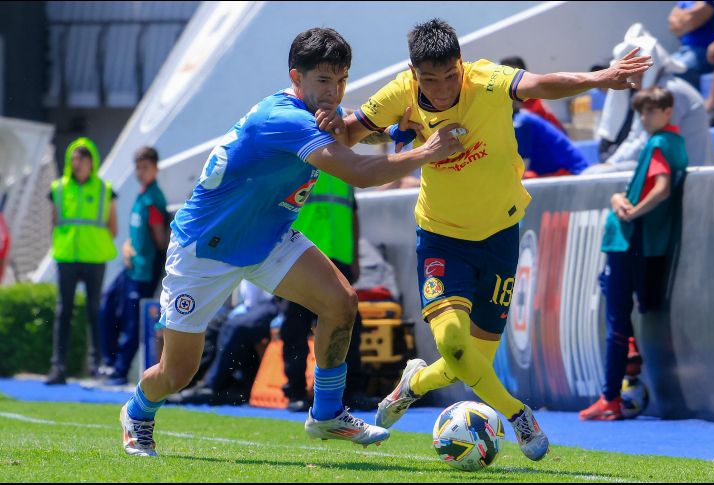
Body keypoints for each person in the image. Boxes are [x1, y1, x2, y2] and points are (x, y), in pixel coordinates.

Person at [118, 27, 464, 457]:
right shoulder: (283, 119)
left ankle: (326, 414)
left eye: (340, 81)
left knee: (341, 303)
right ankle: (136, 411)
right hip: (205, 249)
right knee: (177, 372)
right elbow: (357, 171)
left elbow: (352, 128)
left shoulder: (314, 111)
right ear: (295, 79)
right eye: (323, 81)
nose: (333, 92)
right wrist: (425, 151)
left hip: (269, 238)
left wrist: (396, 130)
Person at [323, 18, 651, 462]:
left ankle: (412, 384)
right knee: (455, 347)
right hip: (440, 239)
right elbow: (349, 133)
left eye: (450, 76)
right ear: (413, 72)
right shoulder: (399, 92)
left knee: (472, 357)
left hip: (500, 235)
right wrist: (344, 123)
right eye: (429, 80)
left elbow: (543, 83)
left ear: (462, 65)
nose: (440, 89)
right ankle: (518, 417)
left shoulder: (489, 80)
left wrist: (601, 78)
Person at [580, 87, 688, 420]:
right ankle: (626, 360)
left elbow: (661, 187)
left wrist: (632, 212)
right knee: (608, 289)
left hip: (629, 242)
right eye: (641, 112)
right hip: (638, 242)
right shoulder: (674, 143)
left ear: (668, 112)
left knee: (615, 318)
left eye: (651, 111)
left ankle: (610, 397)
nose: (644, 117)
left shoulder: (658, 144)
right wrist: (618, 199)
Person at [280, 171, 376, 412]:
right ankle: (295, 391)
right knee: (295, 326)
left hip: (339, 258)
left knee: (349, 326)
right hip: (301, 257)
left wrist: (354, 258)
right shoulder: (301, 159)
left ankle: (352, 390)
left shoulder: (344, 167)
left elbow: (352, 214)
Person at [591, 24, 714, 170]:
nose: (633, 82)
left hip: (693, 174)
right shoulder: (656, 91)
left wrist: (611, 166)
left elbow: (645, 141)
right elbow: (635, 137)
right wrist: (611, 163)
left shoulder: (669, 91)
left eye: (637, 76)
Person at [46, 137, 118, 385]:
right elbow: (54, 221)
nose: (78, 164)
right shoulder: (58, 188)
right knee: (63, 311)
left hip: (94, 257)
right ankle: (58, 367)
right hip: (66, 257)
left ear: (92, 162)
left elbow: (113, 226)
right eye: (74, 159)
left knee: (94, 311)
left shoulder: (105, 189)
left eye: (83, 159)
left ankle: (96, 365)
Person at [100, 146, 169, 386]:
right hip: (130, 268)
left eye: (145, 168)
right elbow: (137, 233)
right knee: (106, 306)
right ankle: (108, 363)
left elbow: (160, 239)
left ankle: (120, 371)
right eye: (138, 168)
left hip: (143, 272)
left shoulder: (153, 199)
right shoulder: (141, 195)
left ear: (155, 168)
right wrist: (128, 245)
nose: (140, 172)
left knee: (131, 323)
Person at [513, 99, 589, 177]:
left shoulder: (521, 122)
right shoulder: (520, 119)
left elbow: (520, 169)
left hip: (571, 172)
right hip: (551, 172)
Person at [498, 56, 567, 133]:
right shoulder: (501, 100)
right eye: (506, 75)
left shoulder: (531, 103)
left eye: (514, 76)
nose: (511, 80)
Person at [668, 1, 714, 89]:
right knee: (663, 69)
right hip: (684, 50)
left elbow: (691, 22)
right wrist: (690, 13)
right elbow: (674, 27)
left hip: (707, 50)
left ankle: (691, 102)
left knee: (683, 69)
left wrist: (681, 15)